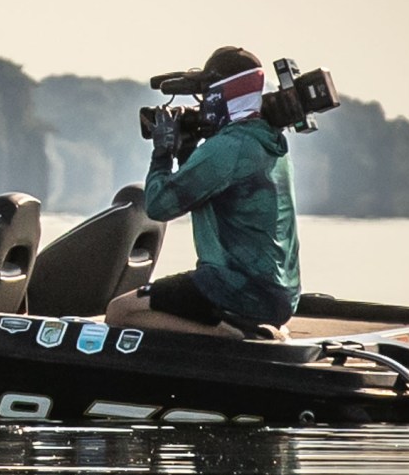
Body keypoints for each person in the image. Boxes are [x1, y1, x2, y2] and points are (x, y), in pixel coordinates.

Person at [105, 46, 301, 339]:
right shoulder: (267, 141)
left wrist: (161, 153)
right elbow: (204, 191)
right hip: (278, 295)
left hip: (235, 288)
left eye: (206, 94)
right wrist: (187, 150)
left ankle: (230, 333)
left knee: (120, 312)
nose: (202, 104)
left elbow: (158, 206)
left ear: (222, 94)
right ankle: (244, 326)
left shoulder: (229, 146)